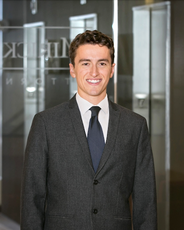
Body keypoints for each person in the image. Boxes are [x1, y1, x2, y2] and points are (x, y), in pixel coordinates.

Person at [21, 30, 157, 230]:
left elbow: (146, 200)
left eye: (102, 63)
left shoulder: (135, 126)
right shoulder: (46, 123)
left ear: (112, 69)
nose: (94, 72)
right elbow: (32, 198)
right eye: (85, 63)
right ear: (72, 69)